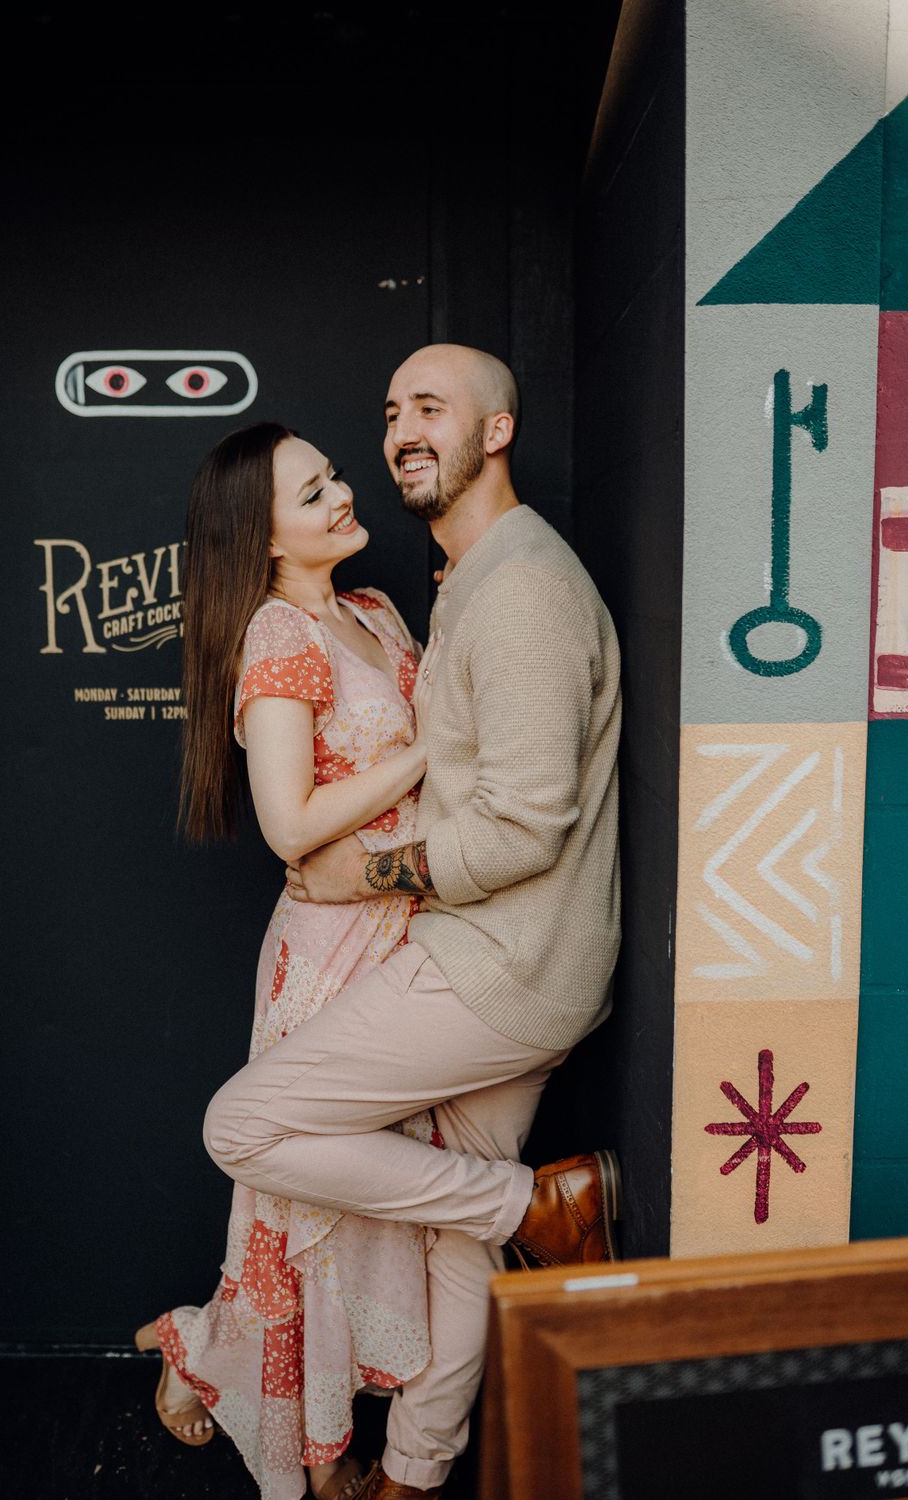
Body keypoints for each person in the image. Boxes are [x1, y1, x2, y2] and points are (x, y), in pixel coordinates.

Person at [202, 344, 623, 1500]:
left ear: (497, 429)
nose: (396, 436)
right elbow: (318, 807)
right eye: (391, 411)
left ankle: (539, 1205)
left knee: (244, 1126)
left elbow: (523, 826)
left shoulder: (516, 588)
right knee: (457, 1227)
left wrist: (375, 873)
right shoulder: (464, 581)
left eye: (431, 407)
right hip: (499, 953)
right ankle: (418, 1471)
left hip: (495, 963)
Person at [137, 421, 443, 1500]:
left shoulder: (376, 609)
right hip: (330, 955)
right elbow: (289, 823)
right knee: (308, 1203)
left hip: (408, 930)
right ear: (263, 539)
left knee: (366, 1185)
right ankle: (314, 1447)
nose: (344, 495)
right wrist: (427, 749)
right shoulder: (278, 634)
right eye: (312, 494)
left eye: (334, 477)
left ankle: (201, 1345)